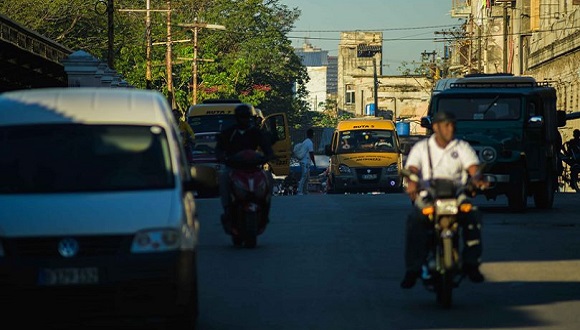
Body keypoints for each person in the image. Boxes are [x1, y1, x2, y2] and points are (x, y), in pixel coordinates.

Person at [400, 111, 488, 289]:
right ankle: (413, 269)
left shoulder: (461, 147)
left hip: (457, 194)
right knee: (415, 221)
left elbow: (473, 168)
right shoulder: (422, 148)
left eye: (453, 124)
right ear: (436, 127)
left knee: (472, 216)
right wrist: (412, 183)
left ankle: (472, 263)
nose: (451, 128)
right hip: (429, 195)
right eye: (447, 124)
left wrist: (478, 179)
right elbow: (412, 169)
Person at [215, 104, 275, 225]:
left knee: (268, 176)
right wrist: (223, 157)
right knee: (223, 176)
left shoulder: (256, 132)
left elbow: (266, 146)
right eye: (242, 117)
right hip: (234, 168)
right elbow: (219, 149)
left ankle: (265, 208)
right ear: (237, 118)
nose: (244, 119)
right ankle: (227, 209)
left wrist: (268, 155)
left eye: (247, 117)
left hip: (253, 168)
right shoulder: (229, 132)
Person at [297, 128, 316, 195]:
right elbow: (311, 153)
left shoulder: (305, 141)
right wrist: (314, 163)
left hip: (304, 161)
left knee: (307, 177)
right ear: (312, 135)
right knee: (304, 176)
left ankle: (305, 191)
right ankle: (299, 191)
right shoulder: (310, 143)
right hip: (305, 162)